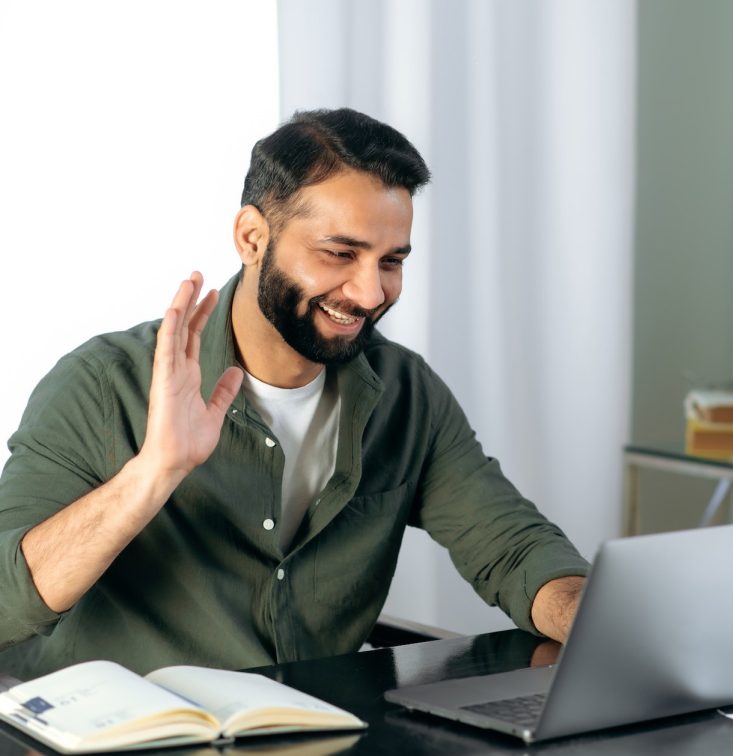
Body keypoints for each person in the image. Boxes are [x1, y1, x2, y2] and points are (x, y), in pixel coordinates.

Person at [0, 109, 588, 680]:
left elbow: (511, 550)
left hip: (314, 746)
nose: (368, 292)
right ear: (253, 237)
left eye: (392, 261)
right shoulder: (102, 385)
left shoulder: (406, 393)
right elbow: (5, 604)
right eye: (339, 254)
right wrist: (153, 472)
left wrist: (598, 621)